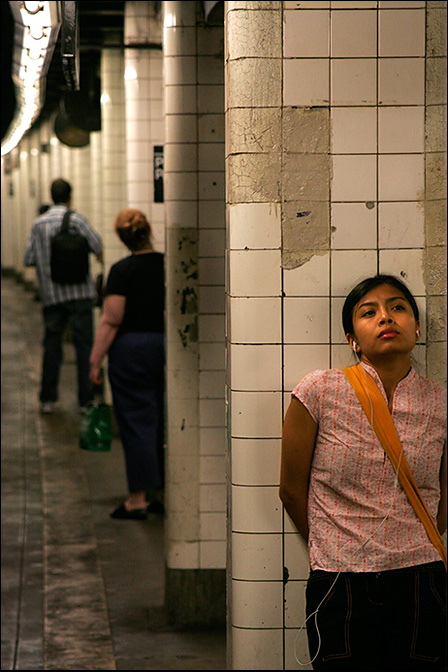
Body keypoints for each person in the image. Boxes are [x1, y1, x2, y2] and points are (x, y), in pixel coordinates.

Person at [279, 274, 446, 670]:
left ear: (417, 328)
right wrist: (331, 545)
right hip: (340, 580)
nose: (386, 318)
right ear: (352, 339)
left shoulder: (439, 402)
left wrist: (416, 540)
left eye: (398, 308)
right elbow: (290, 489)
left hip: (421, 579)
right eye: (368, 313)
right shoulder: (319, 390)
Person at [89, 208, 165, 521]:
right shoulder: (166, 264)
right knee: (160, 420)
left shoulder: (122, 271)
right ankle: (159, 493)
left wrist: (94, 361)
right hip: (164, 347)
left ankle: (137, 499)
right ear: (147, 231)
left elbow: (111, 320)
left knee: (136, 423)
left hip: (131, 350)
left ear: (122, 238)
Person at [24, 178, 103, 414]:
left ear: (51, 195)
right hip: (80, 294)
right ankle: (85, 401)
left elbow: (28, 258)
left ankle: (47, 399)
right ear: (70, 196)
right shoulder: (77, 219)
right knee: (84, 347)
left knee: (52, 346)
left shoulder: (38, 224)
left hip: (52, 296)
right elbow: (97, 245)